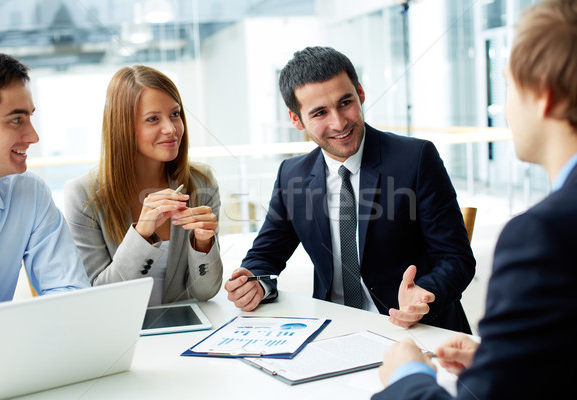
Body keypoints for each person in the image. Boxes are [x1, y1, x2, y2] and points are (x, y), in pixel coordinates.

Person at [374, 0, 577, 398]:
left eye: (508, 84)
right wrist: (503, 357)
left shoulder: (542, 234)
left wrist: (407, 375)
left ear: (543, 95)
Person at [225, 46, 475, 333]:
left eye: (345, 102)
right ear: (296, 120)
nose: (339, 123)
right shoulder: (291, 175)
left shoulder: (416, 159)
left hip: (414, 328)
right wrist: (254, 283)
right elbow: (265, 256)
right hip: (333, 329)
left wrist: (425, 295)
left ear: (361, 93)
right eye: (320, 112)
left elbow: (456, 259)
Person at [64, 66, 222, 305]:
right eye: (153, 119)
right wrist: (141, 234)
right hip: (119, 333)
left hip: (184, 331)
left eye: (175, 114)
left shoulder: (202, 182)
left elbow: (205, 292)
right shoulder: (83, 194)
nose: (171, 129)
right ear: (123, 127)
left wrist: (203, 242)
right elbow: (98, 296)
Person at [0, 49, 90, 305]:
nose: (33, 137)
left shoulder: (28, 192)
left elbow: (69, 290)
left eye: (30, 116)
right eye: (16, 120)